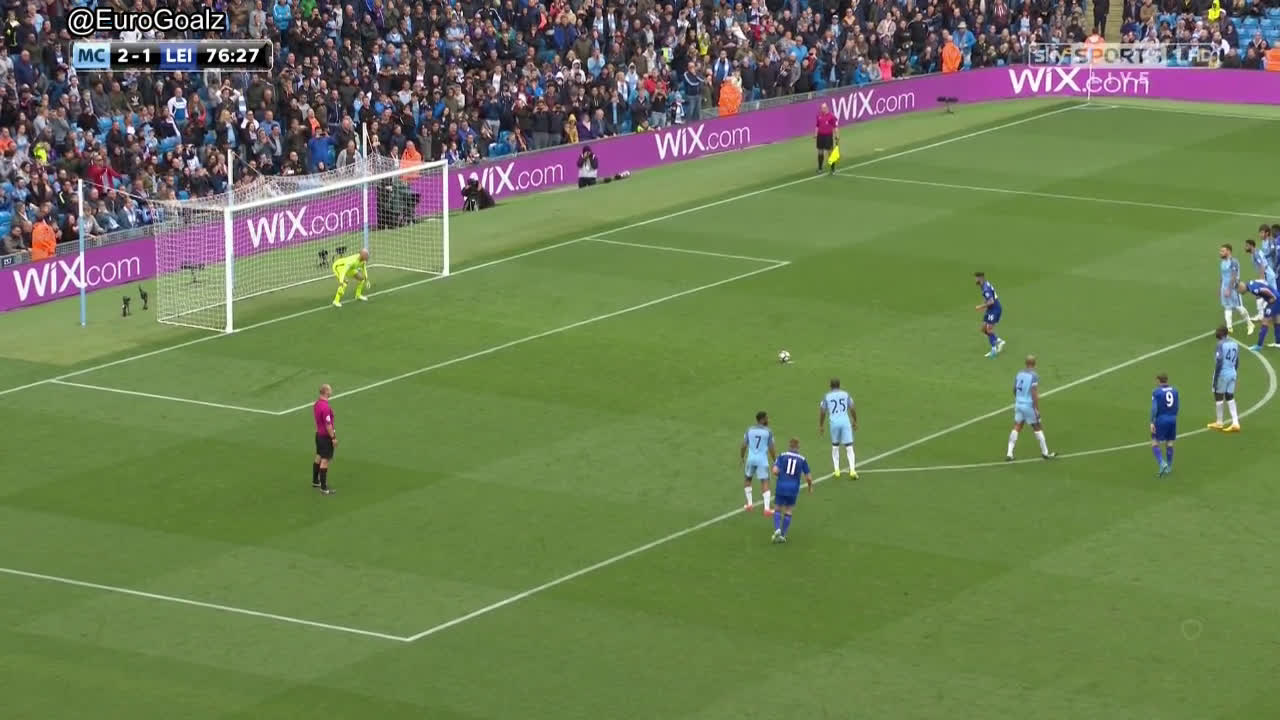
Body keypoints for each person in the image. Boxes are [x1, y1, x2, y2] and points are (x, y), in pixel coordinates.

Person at [1006, 355, 1056, 461]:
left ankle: (1009, 453)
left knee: (1017, 426)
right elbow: (1034, 393)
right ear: (1034, 364)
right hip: (1028, 405)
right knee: (1037, 427)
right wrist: (1036, 409)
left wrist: (1019, 399)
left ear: (1026, 363)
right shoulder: (1034, 376)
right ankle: (1045, 453)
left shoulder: (1019, 373)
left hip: (1018, 404)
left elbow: (1014, 389)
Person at [769, 438, 812, 544]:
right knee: (788, 510)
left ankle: (777, 529)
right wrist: (810, 487)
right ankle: (783, 535)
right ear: (798, 447)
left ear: (789, 446)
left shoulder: (782, 455)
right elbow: (808, 477)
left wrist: (782, 475)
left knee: (777, 508)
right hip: (793, 488)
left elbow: (774, 471)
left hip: (781, 486)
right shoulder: (802, 459)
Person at [818, 378, 858, 479]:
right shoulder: (845, 394)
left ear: (830, 386)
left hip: (834, 423)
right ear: (839, 385)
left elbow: (822, 411)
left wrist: (821, 425)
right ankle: (852, 470)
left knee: (835, 446)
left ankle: (837, 470)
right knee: (849, 446)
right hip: (845, 422)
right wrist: (855, 420)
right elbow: (852, 408)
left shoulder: (827, 396)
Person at [740, 411, 777, 514]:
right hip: (762, 460)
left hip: (751, 459)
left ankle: (749, 504)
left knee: (748, 478)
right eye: (767, 418)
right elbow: (771, 448)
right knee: (765, 481)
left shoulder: (749, 430)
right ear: (762, 419)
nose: (768, 420)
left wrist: (742, 457)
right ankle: (767, 509)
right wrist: (775, 460)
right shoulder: (768, 431)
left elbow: (743, 445)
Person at [1207, 325, 1242, 432]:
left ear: (1222, 333)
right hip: (1232, 372)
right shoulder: (1235, 344)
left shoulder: (1220, 344)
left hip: (1223, 373)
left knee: (1218, 396)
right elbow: (1237, 360)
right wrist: (1234, 371)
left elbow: (1219, 361)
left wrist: (1216, 377)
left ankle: (1219, 422)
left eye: (1218, 332)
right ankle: (1235, 423)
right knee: (1230, 396)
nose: (1216, 333)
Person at [1219, 244, 1254, 336]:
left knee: (1239, 307)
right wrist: (1220, 288)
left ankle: (1250, 324)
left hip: (1233, 288)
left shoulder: (1234, 262)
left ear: (1228, 251)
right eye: (1221, 251)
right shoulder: (1222, 262)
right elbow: (1222, 276)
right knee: (1227, 306)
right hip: (1224, 288)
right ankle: (1229, 328)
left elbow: (1234, 277)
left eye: (1223, 251)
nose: (1220, 253)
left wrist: (1229, 289)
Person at [1150, 373, 1179, 477]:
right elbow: (1177, 406)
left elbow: (1154, 408)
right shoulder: (1175, 391)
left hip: (1161, 419)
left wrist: (1152, 422)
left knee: (1154, 442)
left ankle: (1162, 463)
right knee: (1169, 442)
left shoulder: (1156, 392)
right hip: (1172, 419)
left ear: (1159, 381)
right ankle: (1169, 467)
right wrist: (1173, 416)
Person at [1238, 279, 1280, 350]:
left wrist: (1272, 297)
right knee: (1276, 319)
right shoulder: (1250, 283)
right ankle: (1278, 343)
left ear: (1241, 287)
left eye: (1238, 291)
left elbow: (1265, 290)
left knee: (1265, 321)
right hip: (1277, 297)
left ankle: (1259, 345)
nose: (1239, 293)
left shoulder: (1253, 289)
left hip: (1274, 300)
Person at [313, 384, 337, 495]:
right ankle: (323, 487)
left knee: (318, 456)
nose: (331, 391)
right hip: (325, 437)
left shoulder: (317, 404)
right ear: (326, 392)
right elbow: (328, 425)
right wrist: (333, 438)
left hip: (318, 435)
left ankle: (315, 481)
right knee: (325, 460)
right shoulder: (325, 407)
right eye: (330, 390)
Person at [974, 272, 1006, 358]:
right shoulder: (984, 285)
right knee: (983, 329)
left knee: (989, 329)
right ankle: (999, 341)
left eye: (976, 278)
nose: (975, 280)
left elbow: (991, 301)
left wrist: (981, 307)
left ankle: (994, 350)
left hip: (995, 309)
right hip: (990, 309)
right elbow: (988, 298)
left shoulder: (985, 288)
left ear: (981, 278)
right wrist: (984, 305)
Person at [1245, 236, 1276, 321]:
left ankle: (1261, 315)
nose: (1245, 247)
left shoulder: (1256, 254)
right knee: (1271, 294)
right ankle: (1267, 313)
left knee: (1260, 293)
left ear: (1251, 246)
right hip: (1268, 274)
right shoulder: (1256, 252)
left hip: (1267, 275)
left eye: (1247, 245)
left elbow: (1261, 266)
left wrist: (1261, 280)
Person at [815, 102, 838, 175]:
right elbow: (817, 126)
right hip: (820, 136)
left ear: (827, 108)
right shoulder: (819, 115)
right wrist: (815, 134)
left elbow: (835, 127)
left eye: (824, 108)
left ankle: (833, 169)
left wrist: (837, 135)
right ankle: (820, 168)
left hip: (828, 136)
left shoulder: (831, 116)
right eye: (822, 108)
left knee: (830, 152)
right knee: (820, 152)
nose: (823, 109)